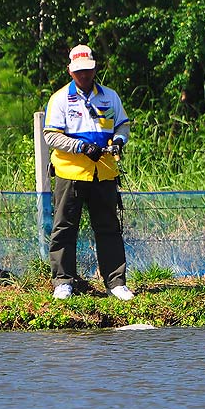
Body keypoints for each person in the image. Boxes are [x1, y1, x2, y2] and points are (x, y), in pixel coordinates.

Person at [42, 44, 134, 300]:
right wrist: (81, 147)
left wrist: (118, 141)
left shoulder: (110, 96)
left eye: (88, 70)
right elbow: (51, 136)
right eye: (79, 71)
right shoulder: (59, 99)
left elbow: (123, 126)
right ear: (71, 72)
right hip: (70, 173)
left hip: (104, 173)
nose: (84, 75)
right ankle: (63, 282)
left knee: (109, 228)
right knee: (64, 228)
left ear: (94, 69)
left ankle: (116, 282)